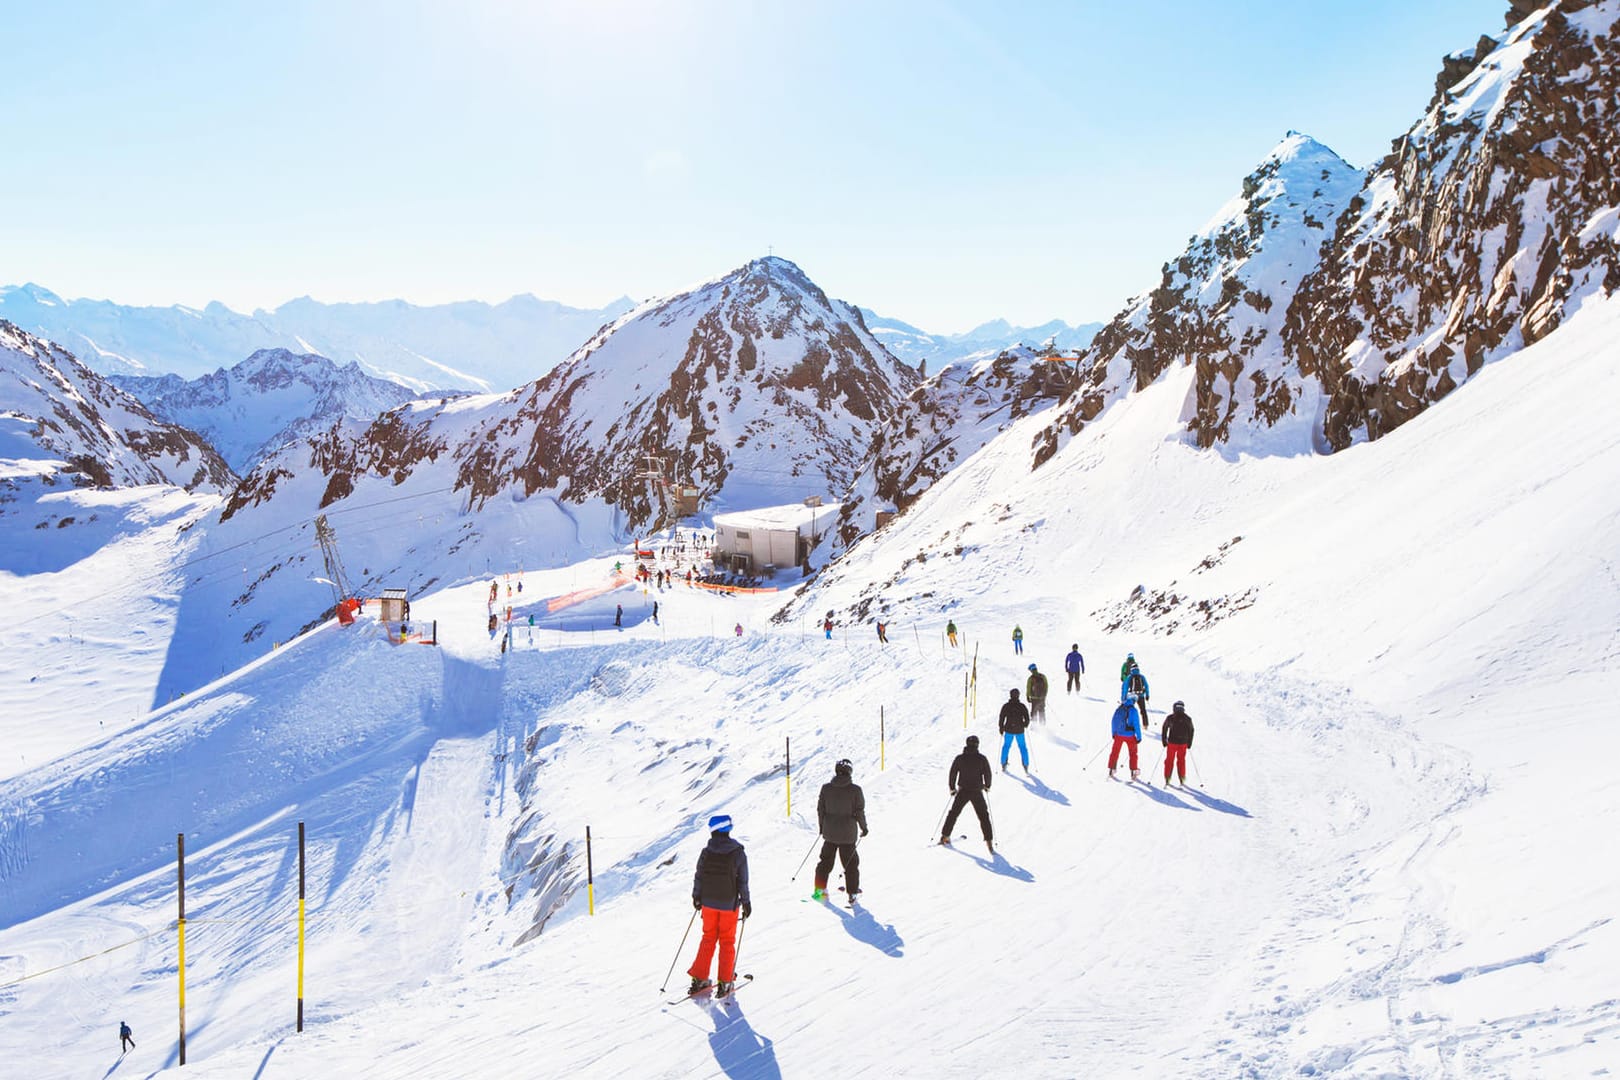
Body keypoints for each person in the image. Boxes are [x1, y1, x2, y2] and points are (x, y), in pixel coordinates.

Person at [687, 814, 751, 998]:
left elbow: (699, 876)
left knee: (708, 938)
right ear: (728, 829)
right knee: (727, 941)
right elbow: (743, 881)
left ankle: (699, 978)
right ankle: (725, 980)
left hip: (707, 903)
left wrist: (697, 897)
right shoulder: (738, 852)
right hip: (728, 904)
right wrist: (746, 902)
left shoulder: (706, 852)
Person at [813, 759, 868, 903]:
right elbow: (859, 812)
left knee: (825, 862)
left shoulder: (826, 788)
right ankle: (852, 894)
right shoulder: (855, 790)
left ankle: (819, 891)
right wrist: (864, 827)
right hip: (848, 835)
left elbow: (821, 810)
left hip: (829, 833)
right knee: (851, 865)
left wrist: (822, 828)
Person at [940, 734, 993, 852]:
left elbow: (953, 773)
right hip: (977, 791)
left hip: (963, 790)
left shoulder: (960, 758)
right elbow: (987, 773)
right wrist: (987, 786)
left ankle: (945, 836)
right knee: (984, 816)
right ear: (977, 745)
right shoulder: (982, 758)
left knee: (953, 813)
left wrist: (952, 788)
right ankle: (989, 842)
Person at [1108, 697, 1144, 780]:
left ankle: (1112, 768)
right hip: (1130, 735)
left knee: (1115, 751)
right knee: (1133, 753)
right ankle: (1133, 770)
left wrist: (1114, 733)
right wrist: (1139, 737)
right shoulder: (1133, 710)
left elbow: (1113, 721)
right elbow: (1136, 724)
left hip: (1119, 735)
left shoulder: (1119, 708)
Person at [1161, 700, 1195, 787]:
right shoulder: (1187, 718)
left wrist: (1164, 741)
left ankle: (1167, 777)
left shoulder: (1170, 717)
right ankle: (1182, 778)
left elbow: (1164, 728)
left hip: (1172, 743)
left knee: (1169, 760)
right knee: (1181, 760)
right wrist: (1189, 742)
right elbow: (1191, 730)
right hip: (1183, 743)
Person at [998, 688, 1031, 772]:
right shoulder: (1021, 706)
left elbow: (1002, 717)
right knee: (1023, 747)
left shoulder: (1006, 706)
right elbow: (1027, 717)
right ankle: (1025, 764)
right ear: (1018, 695)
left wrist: (1001, 728)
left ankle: (1003, 763)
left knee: (1006, 746)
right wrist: (1025, 724)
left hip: (1008, 729)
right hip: (1019, 730)